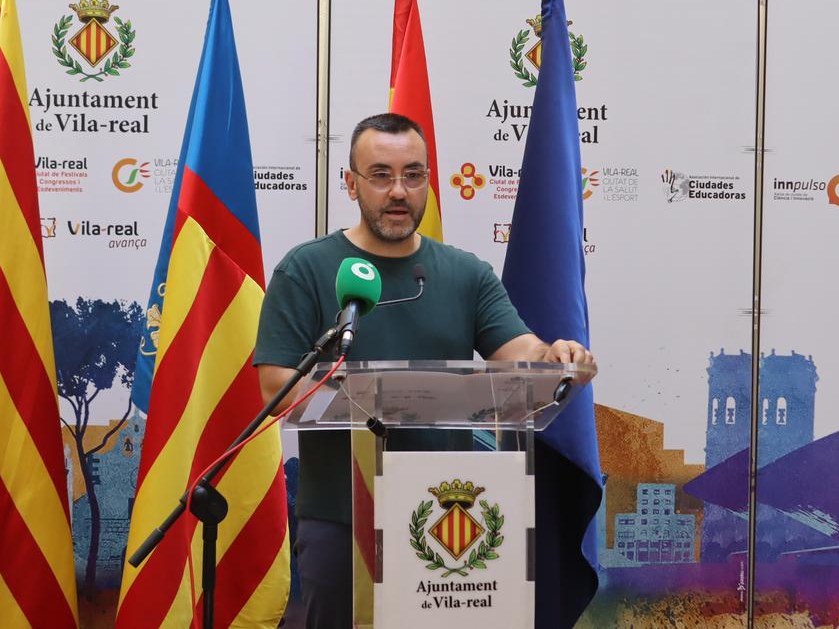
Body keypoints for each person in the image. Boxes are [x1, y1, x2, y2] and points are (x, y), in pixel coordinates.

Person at [254, 112, 596, 629]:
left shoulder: (465, 274)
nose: (398, 190)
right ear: (350, 183)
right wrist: (371, 399)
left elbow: (523, 353)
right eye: (381, 175)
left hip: (449, 517)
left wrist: (561, 360)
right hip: (344, 519)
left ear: (427, 183)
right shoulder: (307, 269)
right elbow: (276, 386)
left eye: (413, 175)